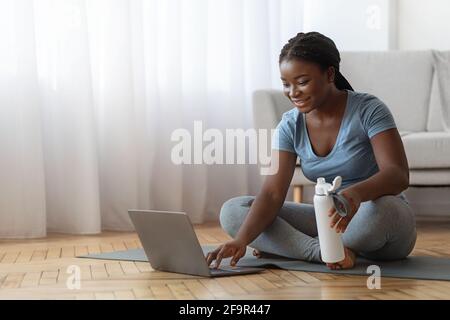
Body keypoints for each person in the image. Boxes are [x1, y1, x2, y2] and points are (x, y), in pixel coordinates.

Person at [206, 31, 417, 270]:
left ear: (329, 74)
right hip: (329, 220)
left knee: (383, 209)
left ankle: (303, 247)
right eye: (286, 84)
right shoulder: (289, 125)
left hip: (379, 222)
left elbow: (398, 174)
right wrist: (241, 240)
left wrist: (353, 196)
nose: (293, 92)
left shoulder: (369, 110)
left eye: (302, 82)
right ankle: (322, 252)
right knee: (233, 211)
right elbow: (273, 194)